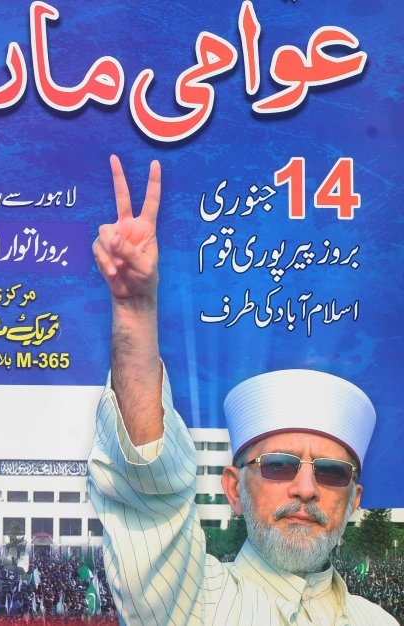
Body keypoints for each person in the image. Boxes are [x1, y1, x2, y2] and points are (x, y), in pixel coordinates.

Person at [86, 155, 397, 625]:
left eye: (332, 473)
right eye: (277, 466)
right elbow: (149, 498)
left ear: (354, 501)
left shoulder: (379, 621)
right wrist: (134, 310)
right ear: (234, 489)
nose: (307, 488)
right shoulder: (196, 603)